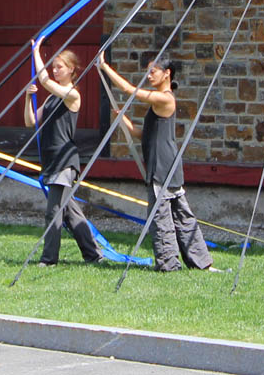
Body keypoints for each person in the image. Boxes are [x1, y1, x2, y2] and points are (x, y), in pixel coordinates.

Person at [98, 53, 224, 273]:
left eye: (153, 71)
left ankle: (169, 265)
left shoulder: (165, 98)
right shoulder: (159, 101)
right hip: (169, 166)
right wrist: (123, 119)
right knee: (183, 216)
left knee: (161, 218)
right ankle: (202, 263)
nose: (149, 75)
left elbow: (129, 90)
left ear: (167, 74)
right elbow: (142, 134)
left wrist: (105, 67)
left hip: (162, 167)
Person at [24, 38, 102, 266]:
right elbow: (30, 122)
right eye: (54, 67)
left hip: (65, 160)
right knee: (70, 211)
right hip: (51, 160)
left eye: (60, 67)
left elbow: (45, 80)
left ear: (71, 70)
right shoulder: (50, 98)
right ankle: (93, 254)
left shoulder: (72, 95)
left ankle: (49, 259)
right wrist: (28, 97)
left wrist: (36, 51)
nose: (55, 70)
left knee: (54, 211)